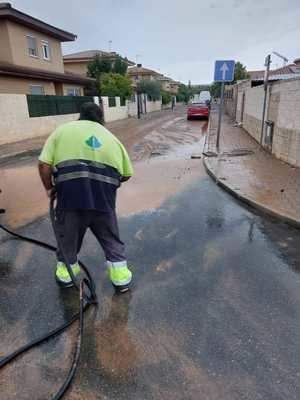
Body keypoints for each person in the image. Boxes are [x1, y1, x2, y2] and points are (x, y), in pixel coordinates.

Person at [38, 102, 133, 293]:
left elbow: (44, 164)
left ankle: (66, 277)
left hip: (70, 200)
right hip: (103, 202)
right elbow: (126, 173)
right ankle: (121, 280)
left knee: (68, 240)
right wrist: (110, 182)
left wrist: (50, 188)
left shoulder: (62, 131)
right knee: (111, 240)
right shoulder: (112, 138)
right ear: (101, 119)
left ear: (80, 116)